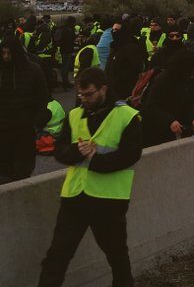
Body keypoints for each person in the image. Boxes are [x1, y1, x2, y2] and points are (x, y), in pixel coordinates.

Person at [37, 67, 142, 287]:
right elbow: (59, 150)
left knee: (117, 256)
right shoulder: (75, 115)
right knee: (57, 256)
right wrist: (76, 151)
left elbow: (131, 155)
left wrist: (95, 161)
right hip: (75, 196)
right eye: (80, 95)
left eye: (89, 94)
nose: (84, 99)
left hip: (109, 199)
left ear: (103, 89)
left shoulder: (127, 115)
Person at [0, 32, 50, 184]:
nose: (6, 57)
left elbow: (43, 97)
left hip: (25, 128)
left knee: (22, 171)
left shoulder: (33, 70)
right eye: (3, 53)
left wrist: (36, 123)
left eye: (9, 53)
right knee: (4, 171)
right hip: (3, 129)